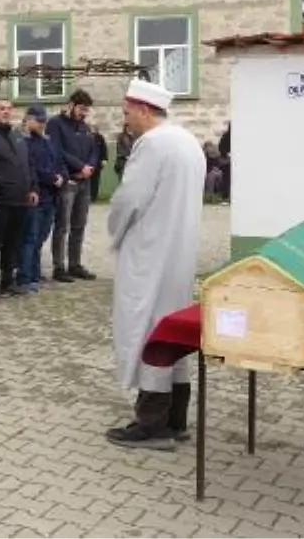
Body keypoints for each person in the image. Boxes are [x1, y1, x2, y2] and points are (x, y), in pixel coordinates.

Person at [105, 79, 206, 450]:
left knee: (147, 328)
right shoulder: (188, 141)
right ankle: (176, 417)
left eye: (127, 112)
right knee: (171, 331)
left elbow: (128, 199)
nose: (125, 119)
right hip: (179, 253)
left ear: (144, 110)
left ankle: (151, 424)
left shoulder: (152, 144)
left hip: (150, 252)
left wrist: (114, 233)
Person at [0, 99, 35, 300]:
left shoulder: (16, 135)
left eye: (9, 109)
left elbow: (28, 164)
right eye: (1, 109)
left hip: (20, 199)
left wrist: (32, 188)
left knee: (13, 243)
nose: (6, 112)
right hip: (0, 200)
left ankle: (7, 281)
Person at [46, 90, 98, 283]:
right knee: (62, 225)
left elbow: (94, 149)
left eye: (86, 110)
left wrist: (90, 166)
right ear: (71, 105)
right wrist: (79, 166)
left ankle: (75, 264)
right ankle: (59, 267)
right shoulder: (55, 124)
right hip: (68, 181)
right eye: (81, 109)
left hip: (84, 181)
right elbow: (57, 150)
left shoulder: (84, 127)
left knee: (79, 224)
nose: (83, 113)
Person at [17, 105, 65, 295]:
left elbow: (59, 162)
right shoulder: (25, 143)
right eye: (39, 121)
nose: (42, 124)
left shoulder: (49, 142)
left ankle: (35, 273)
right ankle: (25, 277)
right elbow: (32, 168)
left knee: (40, 238)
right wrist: (52, 178)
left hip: (51, 197)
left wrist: (62, 176)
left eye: (44, 121)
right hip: (36, 196)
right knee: (30, 238)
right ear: (29, 120)